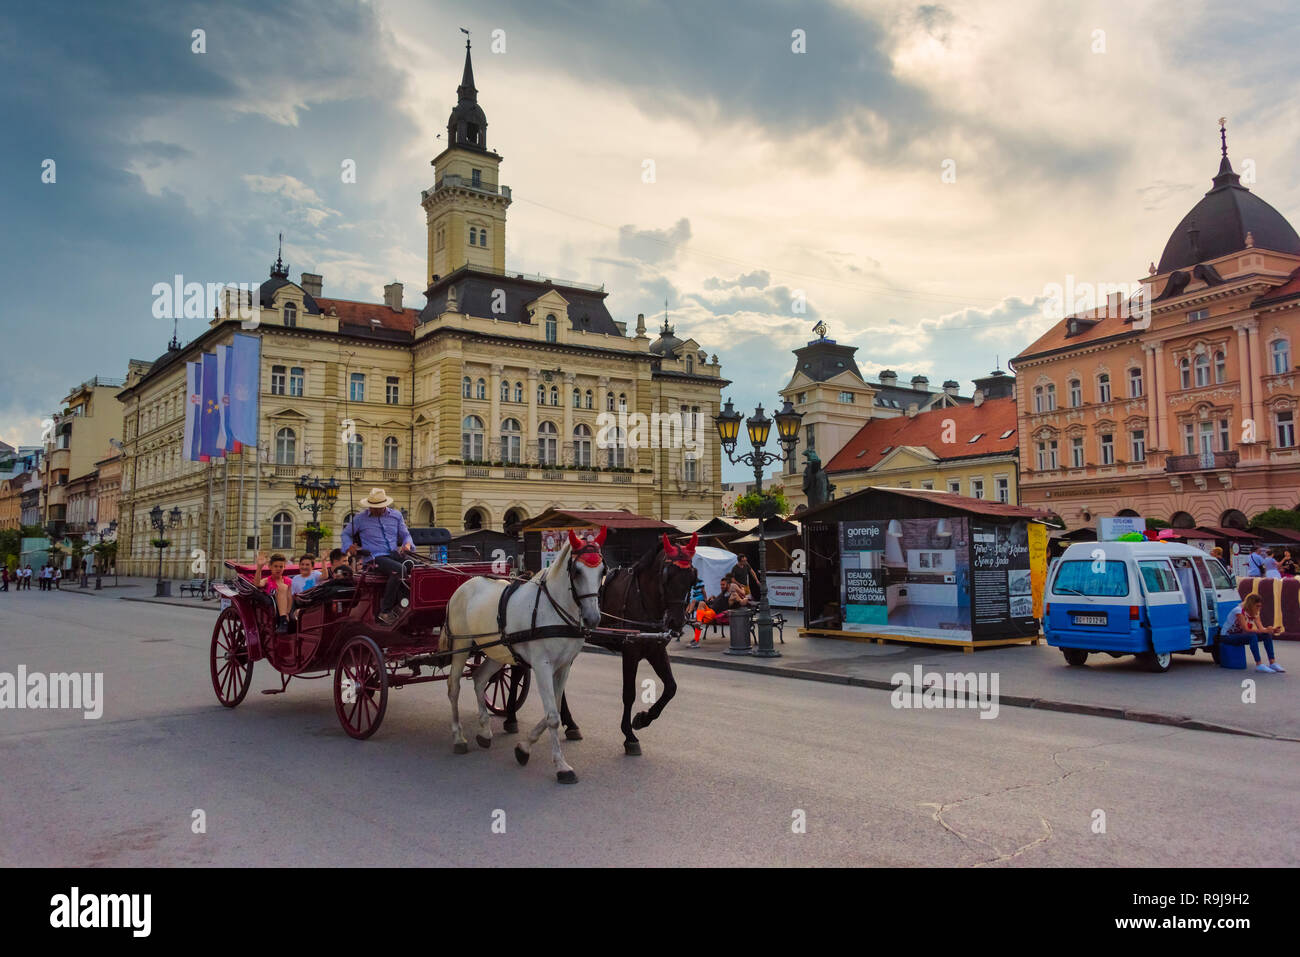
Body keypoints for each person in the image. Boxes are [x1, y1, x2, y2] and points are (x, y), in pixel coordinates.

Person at [341, 487, 416, 625]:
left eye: (379, 507)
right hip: (374, 558)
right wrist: (348, 546)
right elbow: (346, 534)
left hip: (393, 554)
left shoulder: (396, 516)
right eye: (373, 507)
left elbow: (406, 535)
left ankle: (408, 602)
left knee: (416, 566)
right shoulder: (360, 519)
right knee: (399, 569)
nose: (375, 510)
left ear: (385, 505)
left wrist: (407, 545)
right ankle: (385, 611)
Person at [1221, 593, 1286, 673]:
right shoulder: (1239, 611)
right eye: (1257, 606)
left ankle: (1272, 663)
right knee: (1252, 636)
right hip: (1227, 636)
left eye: (1260, 606)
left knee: (1266, 635)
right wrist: (1265, 630)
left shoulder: (1255, 613)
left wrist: (1271, 630)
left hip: (1240, 635)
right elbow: (1246, 629)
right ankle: (1259, 664)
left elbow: (1261, 628)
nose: (1259, 608)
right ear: (1251, 605)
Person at [253, 552, 294, 633]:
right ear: (270, 567)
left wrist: (287, 613)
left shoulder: (289, 581)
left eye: (281, 567)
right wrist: (259, 567)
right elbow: (257, 584)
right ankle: (283, 620)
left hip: (288, 609)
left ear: (284, 567)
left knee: (286, 587)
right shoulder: (267, 580)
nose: (278, 569)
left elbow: (291, 597)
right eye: (275, 566)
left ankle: (285, 619)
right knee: (282, 587)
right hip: (273, 609)